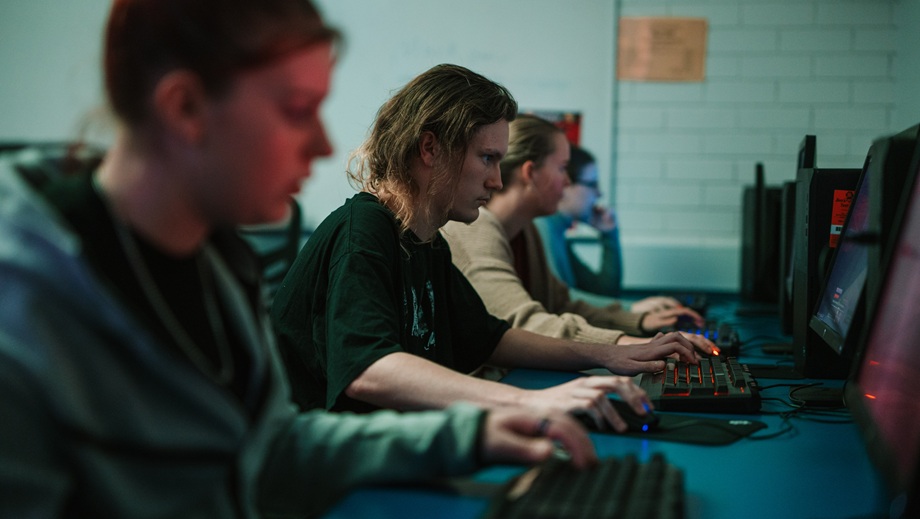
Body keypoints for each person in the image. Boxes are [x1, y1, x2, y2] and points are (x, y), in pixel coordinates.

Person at [0, 2, 599, 517]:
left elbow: (270, 451)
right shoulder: (21, 323)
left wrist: (465, 435)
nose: (321, 144)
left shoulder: (215, 261)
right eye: (295, 109)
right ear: (184, 108)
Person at [272, 63, 704, 432]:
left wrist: (612, 354)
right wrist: (532, 402)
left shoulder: (426, 242)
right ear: (430, 149)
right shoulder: (364, 232)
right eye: (487, 159)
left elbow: (491, 338)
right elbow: (369, 370)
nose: (497, 181)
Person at [442, 115, 709, 346]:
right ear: (531, 173)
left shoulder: (526, 232)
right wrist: (627, 344)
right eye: (561, 169)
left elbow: (561, 305)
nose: (567, 181)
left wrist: (641, 321)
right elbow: (522, 322)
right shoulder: (475, 228)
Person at [534, 144, 683, 312]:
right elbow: (560, 300)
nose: (599, 194)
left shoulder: (557, 232)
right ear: (565, 184)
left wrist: (610, 236)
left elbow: (604, 292)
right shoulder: (541, 227)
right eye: (592, 184)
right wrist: (632, 308)